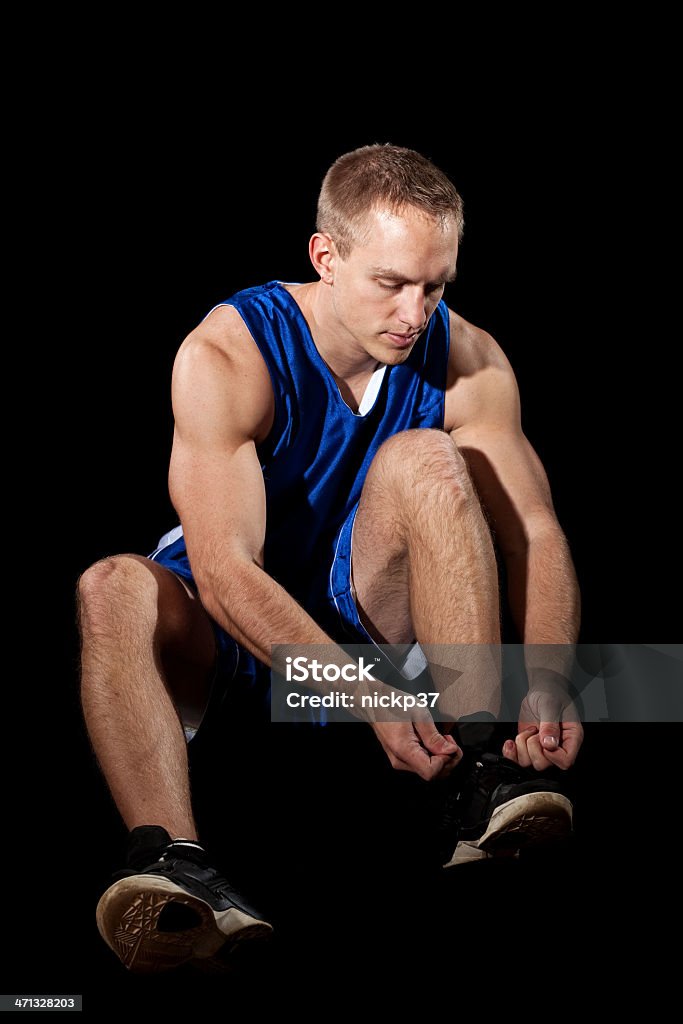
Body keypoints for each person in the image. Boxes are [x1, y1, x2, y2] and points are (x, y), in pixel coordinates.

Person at [77, 144, 583, 974]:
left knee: (427, 457)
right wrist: (364, 698)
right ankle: (172, 859)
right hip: (238, 640)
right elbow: (227, 569)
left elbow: (533, 529)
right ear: (325, 255)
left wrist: (554, 677)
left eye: (434, 285)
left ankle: (481, 774)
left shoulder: (470, 359)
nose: (414, 312)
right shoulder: (227, 352)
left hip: (371, 619)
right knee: (109, 585)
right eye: (390, 283)